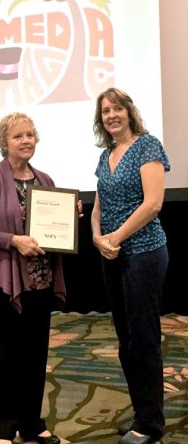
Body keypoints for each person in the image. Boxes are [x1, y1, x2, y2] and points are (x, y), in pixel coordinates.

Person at [0, 112, 82, 444]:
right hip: (3, 285)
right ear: (4, 143)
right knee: (6, 358)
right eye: (18, 136)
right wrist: (13, 241)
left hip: (40, 284)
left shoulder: (44, 180)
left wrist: (69, 217)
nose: (26, 140)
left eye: (30, 134)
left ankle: (32, 424)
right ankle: (3, 428)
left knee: (35, 356)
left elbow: (52, 230)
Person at [91, 88, 170, 444]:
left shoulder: (148, 146)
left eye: (117, 108)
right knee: (126, 340)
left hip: (144, 253)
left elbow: (153, 204)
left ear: (129, 112)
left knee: (144, 339)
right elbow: (98, 205)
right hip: (113, 254)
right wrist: (97, 237)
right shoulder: (105, 155)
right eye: (106, 111)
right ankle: (142, 414)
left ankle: (151, 424)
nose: (112, 115)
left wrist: (116, 237)